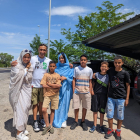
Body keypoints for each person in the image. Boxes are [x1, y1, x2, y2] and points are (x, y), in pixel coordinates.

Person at [11, 44, 73, 132]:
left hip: (44, 86)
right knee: (35, 104)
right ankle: (35, 121)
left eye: (44, 50)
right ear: (38, 50)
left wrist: (69, 64)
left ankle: (41, 119)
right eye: (41, 50)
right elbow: (23, 61)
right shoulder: (33, 58)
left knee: (42, 104)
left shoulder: (48, 60)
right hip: (33, 85)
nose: (42, 51)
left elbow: (56, 66)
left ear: (46, 51)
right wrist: (13, 63)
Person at [104, 56, 130, 140]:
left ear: (122, 63)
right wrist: (94, 74)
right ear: (114, 63)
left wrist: (127, 99)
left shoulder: (125, 73)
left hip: (121, 98)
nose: (117, 64)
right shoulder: (111, 70)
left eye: (119, 62)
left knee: (120, 116)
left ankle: (118, 131)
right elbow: (103, 71)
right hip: (111, 97)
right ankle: (110, 129)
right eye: (115, 62)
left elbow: (128, 86)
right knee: (109, 114)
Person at [9, 49, 33, 140]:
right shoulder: (16, 65)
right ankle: (18, 133)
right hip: (18, 91)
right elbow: (18, 76)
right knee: (21, 110)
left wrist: (27, 69)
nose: (26, 59)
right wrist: (26, 69)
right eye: (25, 57)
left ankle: (22, 128)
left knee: (26, 108)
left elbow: (29, 77)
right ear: (21, 56)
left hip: (26, 90)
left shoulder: (28, 65)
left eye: (28, 57)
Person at [70, 54, 93, 131]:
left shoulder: (89, 70)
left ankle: (83, 121)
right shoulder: (76, 68)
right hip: (77, 91)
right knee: (76, 107)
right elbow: (74, 79)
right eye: (81, 60)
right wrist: (73, 89)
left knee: (85, 107)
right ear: (80, 60)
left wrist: (90, 90)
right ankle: (76, 121)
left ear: (86, 61)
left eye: (84, 60)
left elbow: (90, 81)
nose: (83, 61)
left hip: (86, 91)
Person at [40, 61, 62, 135]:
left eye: (53, 66)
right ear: (49, 67)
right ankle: (47, 125)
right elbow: (43, 85)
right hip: (47, 94)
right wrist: (53, 85)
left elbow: (58, 86)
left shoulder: (57, 75)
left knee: (52, 110)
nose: (52, 67)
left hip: (55, 95)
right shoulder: (46, 75)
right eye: (51, 66)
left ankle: (51, 125)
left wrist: (49, 84)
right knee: (44, 109)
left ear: (55, 67)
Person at [53, 52, 74, 128]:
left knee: (65, 104)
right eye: (60, 58)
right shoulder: (56, 66)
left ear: (65, 58)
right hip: (58, 88)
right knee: (57, 104)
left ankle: (64, 119)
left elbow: (72, 78)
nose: (61, 59)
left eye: (62, 58)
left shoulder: (70, 67)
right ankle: (56, 118)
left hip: (67, 89)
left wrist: (65, 78)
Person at [89, 61, 109, 134]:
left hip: (103, 96)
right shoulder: (96, 74)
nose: (103, 68)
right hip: (96, 94)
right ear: (100, 67)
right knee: (95, 110)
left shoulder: (108, 76)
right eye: (102, 66)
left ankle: (101, 126)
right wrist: (91, 90)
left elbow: (109, 86)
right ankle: (94, 125)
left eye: (105, 66)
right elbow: (92, 82)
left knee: (102, 111)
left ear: (107, 68)